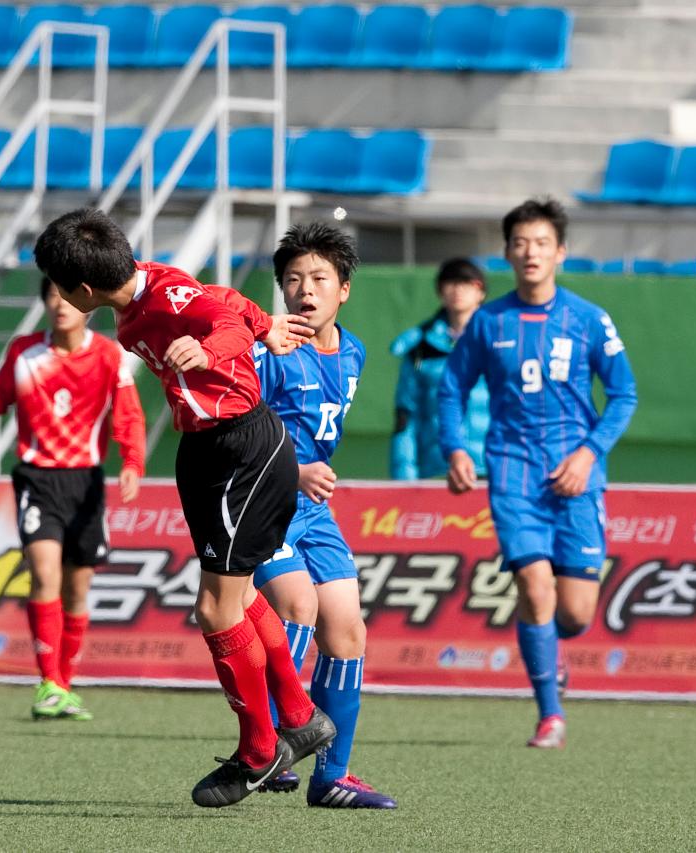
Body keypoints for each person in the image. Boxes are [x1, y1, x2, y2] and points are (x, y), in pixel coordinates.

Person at [33, 207, 335, 809]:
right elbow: (224, 297)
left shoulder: (165, 296)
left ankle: (258, 751)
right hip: (202, 449)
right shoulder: (140, 286)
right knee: (241, 599)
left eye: (59, 284)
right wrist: (264, 322)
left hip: (242, 449)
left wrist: (216, 348)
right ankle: (301, 719)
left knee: (214, 611)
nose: (56, 294)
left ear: (83, 290)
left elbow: (215, 318)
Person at [438, 198, 637, 749]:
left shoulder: (589, 319)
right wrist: (455, 447)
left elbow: (624, 393)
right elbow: (452, 388)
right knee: (534, 584)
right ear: (506, 253)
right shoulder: (488, 321)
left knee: (573, 613)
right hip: (513, 473)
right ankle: (550, 714)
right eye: (520, 243)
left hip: (576, 477)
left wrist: (589, 453)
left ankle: (553, 652)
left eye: (541, 243)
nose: (531, 252)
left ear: (560, 253)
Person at [251, 223, 398, 809]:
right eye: (292, 280)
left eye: (318, 278)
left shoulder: (354, 351)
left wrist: (308, 475)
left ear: (344, 290)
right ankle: (265, 746)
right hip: (262, 502)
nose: (304, 290)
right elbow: (237, 428)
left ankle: (331, 776)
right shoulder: (268, 348)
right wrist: (293, 468)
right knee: (296, 607)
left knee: (348, 632)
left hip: (313, 511)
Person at [0, 276, 146, 722]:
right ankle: (48, 682)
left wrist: (132, 462)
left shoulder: (108, 356)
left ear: (87, 303)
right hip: (37, 480)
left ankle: (63, 683)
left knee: (77, 588)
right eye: (51, 294)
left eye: (67, 296)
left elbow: (129, 414)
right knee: (44, 574)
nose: (59, 304)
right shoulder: (25, 352)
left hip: (85, 482)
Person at [390, 258, 490, 480]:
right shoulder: (419, 347)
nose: (458, 289)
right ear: (439, 291)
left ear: (481, 292)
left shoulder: (502, 342)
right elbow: (406, 417)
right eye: (450, 282)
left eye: (467, 282)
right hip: (437, 472)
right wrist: (404, 479)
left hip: (494, 471)